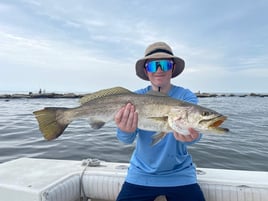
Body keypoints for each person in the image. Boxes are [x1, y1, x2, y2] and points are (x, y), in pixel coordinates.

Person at [114, 42, 206, 201]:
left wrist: (193, 136)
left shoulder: (186, 97)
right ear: (146, 71)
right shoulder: (133, 99)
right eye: (153, 65)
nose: (159, 70)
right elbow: (125, 140)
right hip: (140, 175)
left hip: (181, 175)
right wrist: (125, 130)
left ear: (172, 68)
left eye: (164, 64)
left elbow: (195, 134)